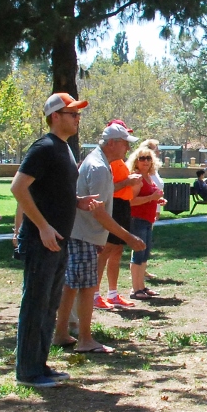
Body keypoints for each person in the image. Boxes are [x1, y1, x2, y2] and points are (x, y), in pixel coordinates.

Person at [10, 93, 102, 388]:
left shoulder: (64, 149)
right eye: (72, 113)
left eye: (78, 114)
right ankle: (27, 372)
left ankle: (39, 364)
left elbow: (51, 191)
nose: (77, 119)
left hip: (59, 239)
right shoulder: (44, 148)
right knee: (35, 304)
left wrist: (77, 201)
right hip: (43, 240)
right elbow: (18, 187)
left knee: (49, 305)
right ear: (55, 116)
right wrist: (42, 227)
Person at [52, 128, 145, 353]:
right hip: (83, 236)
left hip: (80, 234)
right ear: (112, 143)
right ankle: (85, 340)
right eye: (125, 143)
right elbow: (99, 213)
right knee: (86, 288)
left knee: (71, 286)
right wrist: (129, 237)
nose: (128, 148)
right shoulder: (100, 168)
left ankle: (61, 333)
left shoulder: (97, 162)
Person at [98, 120, 144, 309]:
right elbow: (107, 189)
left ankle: (112, 293)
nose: (127, 145)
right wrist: (127, 182)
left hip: (123, 205)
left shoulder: (119, 160)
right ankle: (94, 294)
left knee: (117, 250)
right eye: (124, 139)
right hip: (114, 206)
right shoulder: (106, 162)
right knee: (105, 251)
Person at [127, 142, 165, 300]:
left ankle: (141, 286)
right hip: (138, 220)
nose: (146, 161)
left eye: (148, 158)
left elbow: (150, 197)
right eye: (142, 158)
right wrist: (151, 197)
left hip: (148, 219)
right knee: (138, 254)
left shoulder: (148, 177)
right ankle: (135, 290)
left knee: (144, 254)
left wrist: (157, 200)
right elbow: (131, 201)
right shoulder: (136, 178)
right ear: (136, 161)